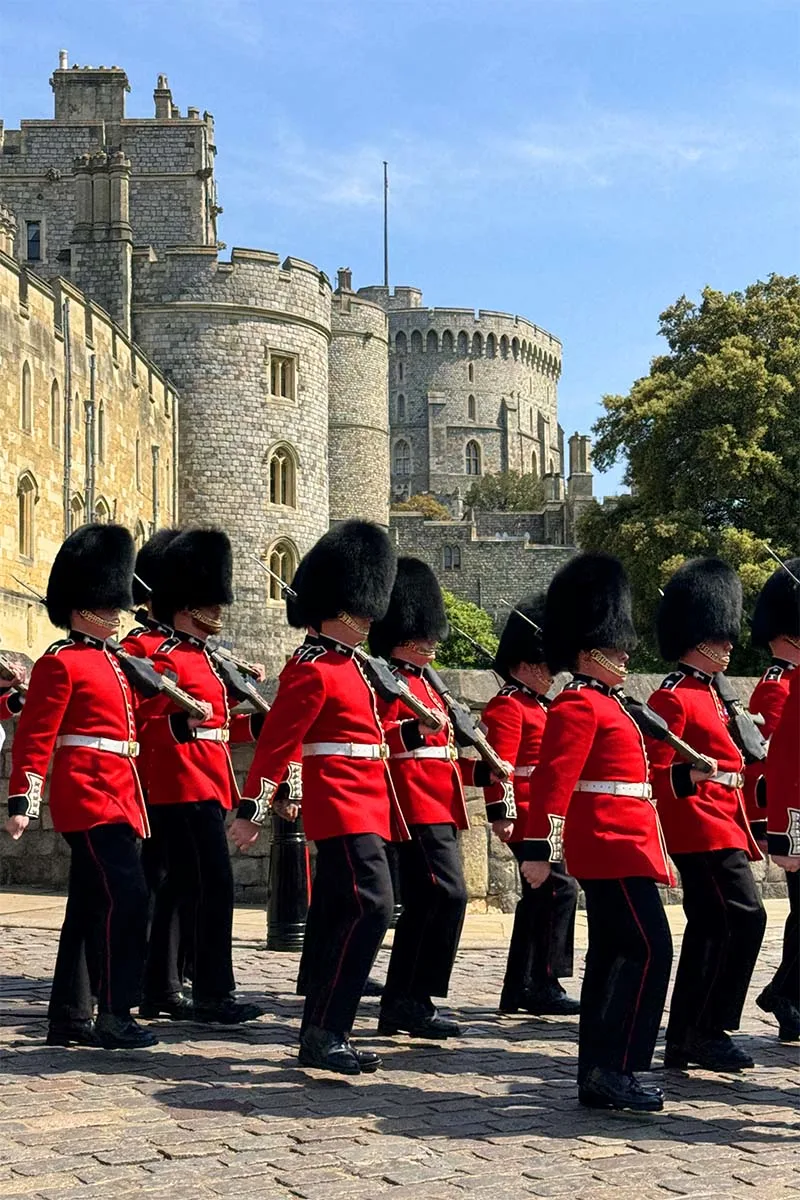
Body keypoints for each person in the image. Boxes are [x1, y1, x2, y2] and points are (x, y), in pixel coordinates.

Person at [229, 521, 435, 1075]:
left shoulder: (359, 669)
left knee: (358, 909)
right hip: (339, 803)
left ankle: (326, 1030)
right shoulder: (312, 666)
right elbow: (278, 742)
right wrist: (254, 809)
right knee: (370, 905)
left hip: (372, 801)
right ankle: (325, 1029)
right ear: (335, 606)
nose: (370, 618)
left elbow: (373, 733)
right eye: (361, 609)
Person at [520, 553, 673, 1113]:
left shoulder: (609, 704)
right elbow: (553, 781)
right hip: (609, 846)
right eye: (615, 646)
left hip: (625, 843)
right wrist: (539, 850)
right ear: (589, 651)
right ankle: (618, 1066)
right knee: (649, 949)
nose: (626, 653)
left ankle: (601, 1071)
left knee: (614, 956)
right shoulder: (580, 704)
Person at [4, 523, 157, 1050]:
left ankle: (69, 1015)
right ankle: (115, 1013)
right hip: (87, 797)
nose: (118, 612)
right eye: (108, 603)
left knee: (92, 902)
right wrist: (22, 798)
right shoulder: (59, 662)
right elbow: (35, 737)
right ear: (82, 605)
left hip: (122, 795)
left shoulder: (117, 664)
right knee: (127, 897)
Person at [137, 527, 263, 1025]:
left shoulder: (203, 657)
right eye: (210, 603)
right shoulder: (164, 653)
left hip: (208, 779)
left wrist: (258, 724)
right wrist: (175, 722)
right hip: (179, 781)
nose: (219, 611)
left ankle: (163, 987)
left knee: (182, 886)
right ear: (187, 605)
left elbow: (220, 731)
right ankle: (212, 989)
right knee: (212, 884)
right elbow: (141, 719)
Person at [647, 557, 766, 1072]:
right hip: (699, 825)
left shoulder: (717, 696)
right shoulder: (672, 696)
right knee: (739, 918)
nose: (729, 645)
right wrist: (689, 779)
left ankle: (693, 1032)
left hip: (725, 821)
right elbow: (654, 771)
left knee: (716, 927)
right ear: (697, 639)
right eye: (719, 639)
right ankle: (704, 1029)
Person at [368, 557, 468, 1039]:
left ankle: (408, 999)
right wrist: (414, 730)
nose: (430, 640)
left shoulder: (430, 682)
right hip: (412, 800)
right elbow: (376, 736)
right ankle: (409, 997)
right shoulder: (386, 678)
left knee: (434, 901)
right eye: (421, 631)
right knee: (444, 894)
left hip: (440, 799)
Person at [483, 596, 579, 1017]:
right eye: (544, 666)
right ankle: (540, 981)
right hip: (524, 815)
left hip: (544, 818)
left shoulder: (541, 704)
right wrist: (503, 814)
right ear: (523, 664)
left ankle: (524, 985)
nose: (551, 674)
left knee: (543, 896)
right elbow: (497, 765)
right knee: (558, 890)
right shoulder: (508, 704)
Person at [120, 527, 194, 1020]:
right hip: (150, 778)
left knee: (182, 880)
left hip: (184, 775)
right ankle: (150, 975)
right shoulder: (138, 645)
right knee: (156, 879)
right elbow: (133, 714)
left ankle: (173, 971)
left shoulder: (182, 645)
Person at [747, 559, 800, 1042]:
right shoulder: (777, 683)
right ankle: (784, 992)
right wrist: (776, 827)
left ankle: (787, 991)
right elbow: (770, 763)